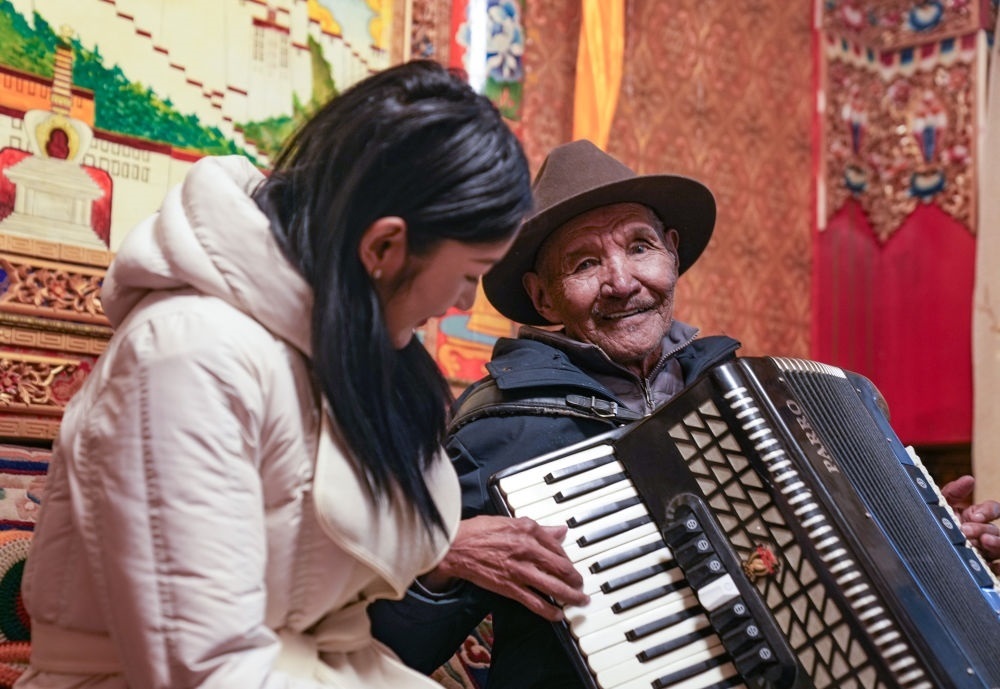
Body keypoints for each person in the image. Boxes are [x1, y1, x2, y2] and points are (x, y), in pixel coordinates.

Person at [369, 139, 1000, 688]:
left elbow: (812, 573)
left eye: (640, 247)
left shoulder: (753, 397)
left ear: (671, 254)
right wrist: (442, 558)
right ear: (543, 297)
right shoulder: (497, 433)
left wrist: (932, 552)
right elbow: (393, 648)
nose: (622, 281)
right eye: (585, 263)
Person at [14, 60, 532, 689]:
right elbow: (207, 670)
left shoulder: (341, 350)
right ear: (383, 247)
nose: (461, 302)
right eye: (470, 274)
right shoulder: (187, 355)